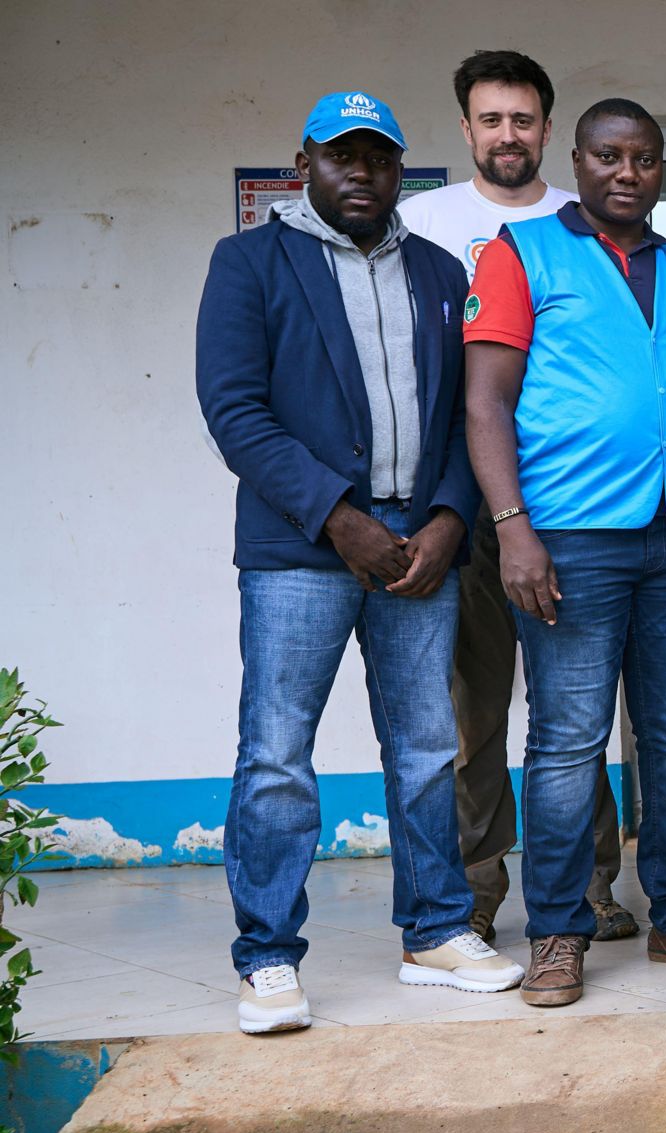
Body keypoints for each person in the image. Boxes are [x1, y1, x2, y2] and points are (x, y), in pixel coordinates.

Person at [196, 90, 523, 1034]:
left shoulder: (432, 268)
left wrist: (453, 518)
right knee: (276, 755)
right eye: (342, 156)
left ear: (398, 169)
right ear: (306, 162)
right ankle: (266, 956)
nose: (361, 174)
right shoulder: (251, 261)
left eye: (378, 157)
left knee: (426, 747)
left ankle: (433, 929)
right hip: (302, 546)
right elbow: (235, 409)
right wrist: (341, 520)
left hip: (419, 546)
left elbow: (469, 410)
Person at [464, 98, 666, 1005]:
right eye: (609, 155)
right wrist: (512, 526)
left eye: (646, 159)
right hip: (571, 537)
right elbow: (484, 403)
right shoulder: (521, 255)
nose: (628, 172)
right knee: (566, 740)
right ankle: (558, 929)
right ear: (577, 160)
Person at [400, 49, 637, 946]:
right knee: (475, 712)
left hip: (570, 507)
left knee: (574, 714)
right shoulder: (424, 223)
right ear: (466, 128)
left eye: (523, 119)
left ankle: (590, 883)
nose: (508, 134)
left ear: (549, 130)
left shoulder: (584, 227)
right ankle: (475, 887)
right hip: (460, 507)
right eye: (491, 119)